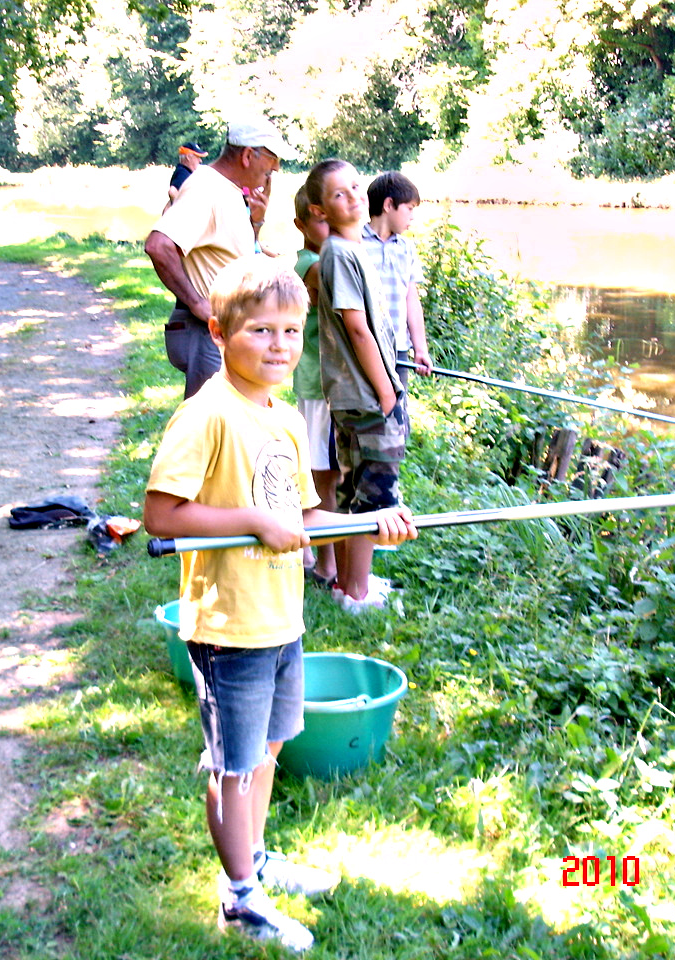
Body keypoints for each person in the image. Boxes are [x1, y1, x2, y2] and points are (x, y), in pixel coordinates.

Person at [143, 254, 416, 952]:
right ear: (219, 328)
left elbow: (306, 515)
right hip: (228, 623)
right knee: (233, 763)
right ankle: (239, 899)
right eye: (261, 331)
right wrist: (255, 522)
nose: (278, 346)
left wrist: (373, 524)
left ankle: (254, 860)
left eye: (291, 332)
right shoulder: (208, 414)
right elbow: (162, 515)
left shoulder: (287, 417)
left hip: (280, 616)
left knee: (264, 750)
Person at [306, 159, 406, 613]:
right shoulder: (340, 253)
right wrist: (387, 391)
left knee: (349, 493)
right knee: (373, 498)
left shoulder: (347, 248)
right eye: (338, 194)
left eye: (353, 188)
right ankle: (359, 596)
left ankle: (348, 584)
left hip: (352, 395)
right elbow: (357, 326)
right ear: (320, 210)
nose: (350, 197)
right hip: (365, 396)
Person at [144, 117, 298, 400]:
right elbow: (159, 245)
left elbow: (229, 253)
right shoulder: (206, 189)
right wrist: (198, 303)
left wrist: (256, 223)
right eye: (272, 160)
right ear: (248, 155)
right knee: (207, 431)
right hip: (207, 333)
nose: (275, 168)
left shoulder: (228, 190)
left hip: (226, 332)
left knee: (231, 429)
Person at [290, 187, 338, 588]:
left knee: (327, 473)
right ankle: (322, 561)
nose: (330, 227)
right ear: (301, 225)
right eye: (321, 220)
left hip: (328, 383)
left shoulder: (325, 258)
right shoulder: (314, 264)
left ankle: (317, 553)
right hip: (316, 382)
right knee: (319, 474)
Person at [364, 172, 432, 393]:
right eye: (409, 208)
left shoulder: (407, 248)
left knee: (398, 417)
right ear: (388, 205)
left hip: (398, 348)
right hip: (365, 347)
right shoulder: (355, 244)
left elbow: (411, 299)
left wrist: (420, 347)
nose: (412, 217)